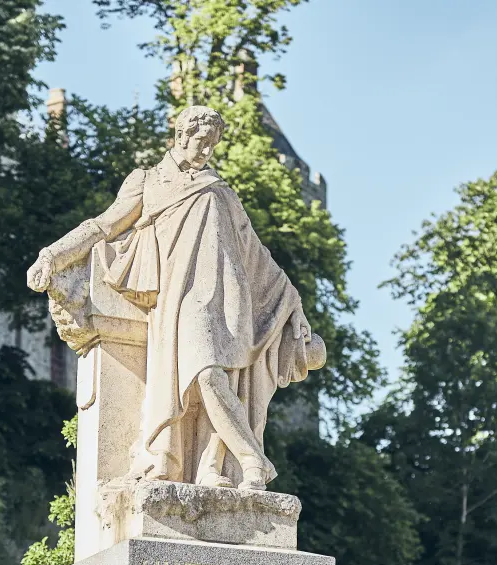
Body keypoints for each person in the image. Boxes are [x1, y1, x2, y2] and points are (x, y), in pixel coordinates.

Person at [27, 105, 317, 491]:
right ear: (182, 135)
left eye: (213, 145)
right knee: (204, 377)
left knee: (214, 379)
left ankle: (216, 467)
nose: (207, 151)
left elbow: (256, 255)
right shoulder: (147, 181)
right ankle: (246, 461)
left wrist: (293, 303)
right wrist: (53, 254)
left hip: (228, 302)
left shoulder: (221, 192)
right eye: (202, 141)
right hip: (179, 298)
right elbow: (103, 224)